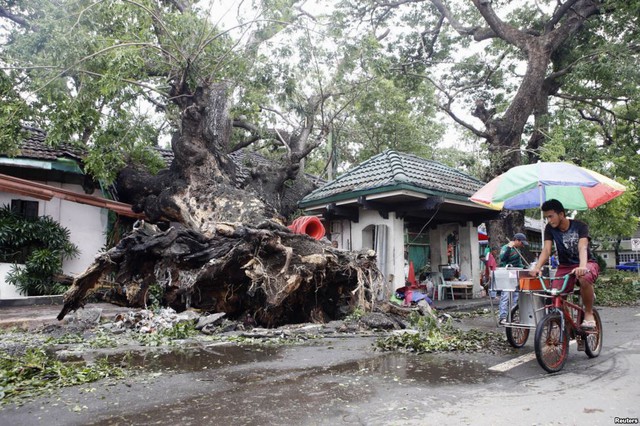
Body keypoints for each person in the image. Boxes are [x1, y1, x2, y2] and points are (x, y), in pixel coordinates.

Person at [529, 199, 599, 329]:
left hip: (586, 262)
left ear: (561, 214)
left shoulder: (580, 226)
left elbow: (582, 247)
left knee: (583, 278)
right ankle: (568, 326)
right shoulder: (550, 228)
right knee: (555, 294)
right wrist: (537, 267)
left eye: (551, 216)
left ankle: (589, 313)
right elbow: (547, 250)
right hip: (565, 266)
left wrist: (582, 266)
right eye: (547, 217)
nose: (549, 220)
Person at [498, 233, 528, 325]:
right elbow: (503, 259)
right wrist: (509, 248)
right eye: (521, 243)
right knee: (506, 296)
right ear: (517, 240)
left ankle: (511, 316)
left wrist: (525, 268)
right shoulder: (506, 248)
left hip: (515, 275)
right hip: (507, 274)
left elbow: (519, 263)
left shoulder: (518, 250)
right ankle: (502, 317)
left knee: (515, 296)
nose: (522, 245)